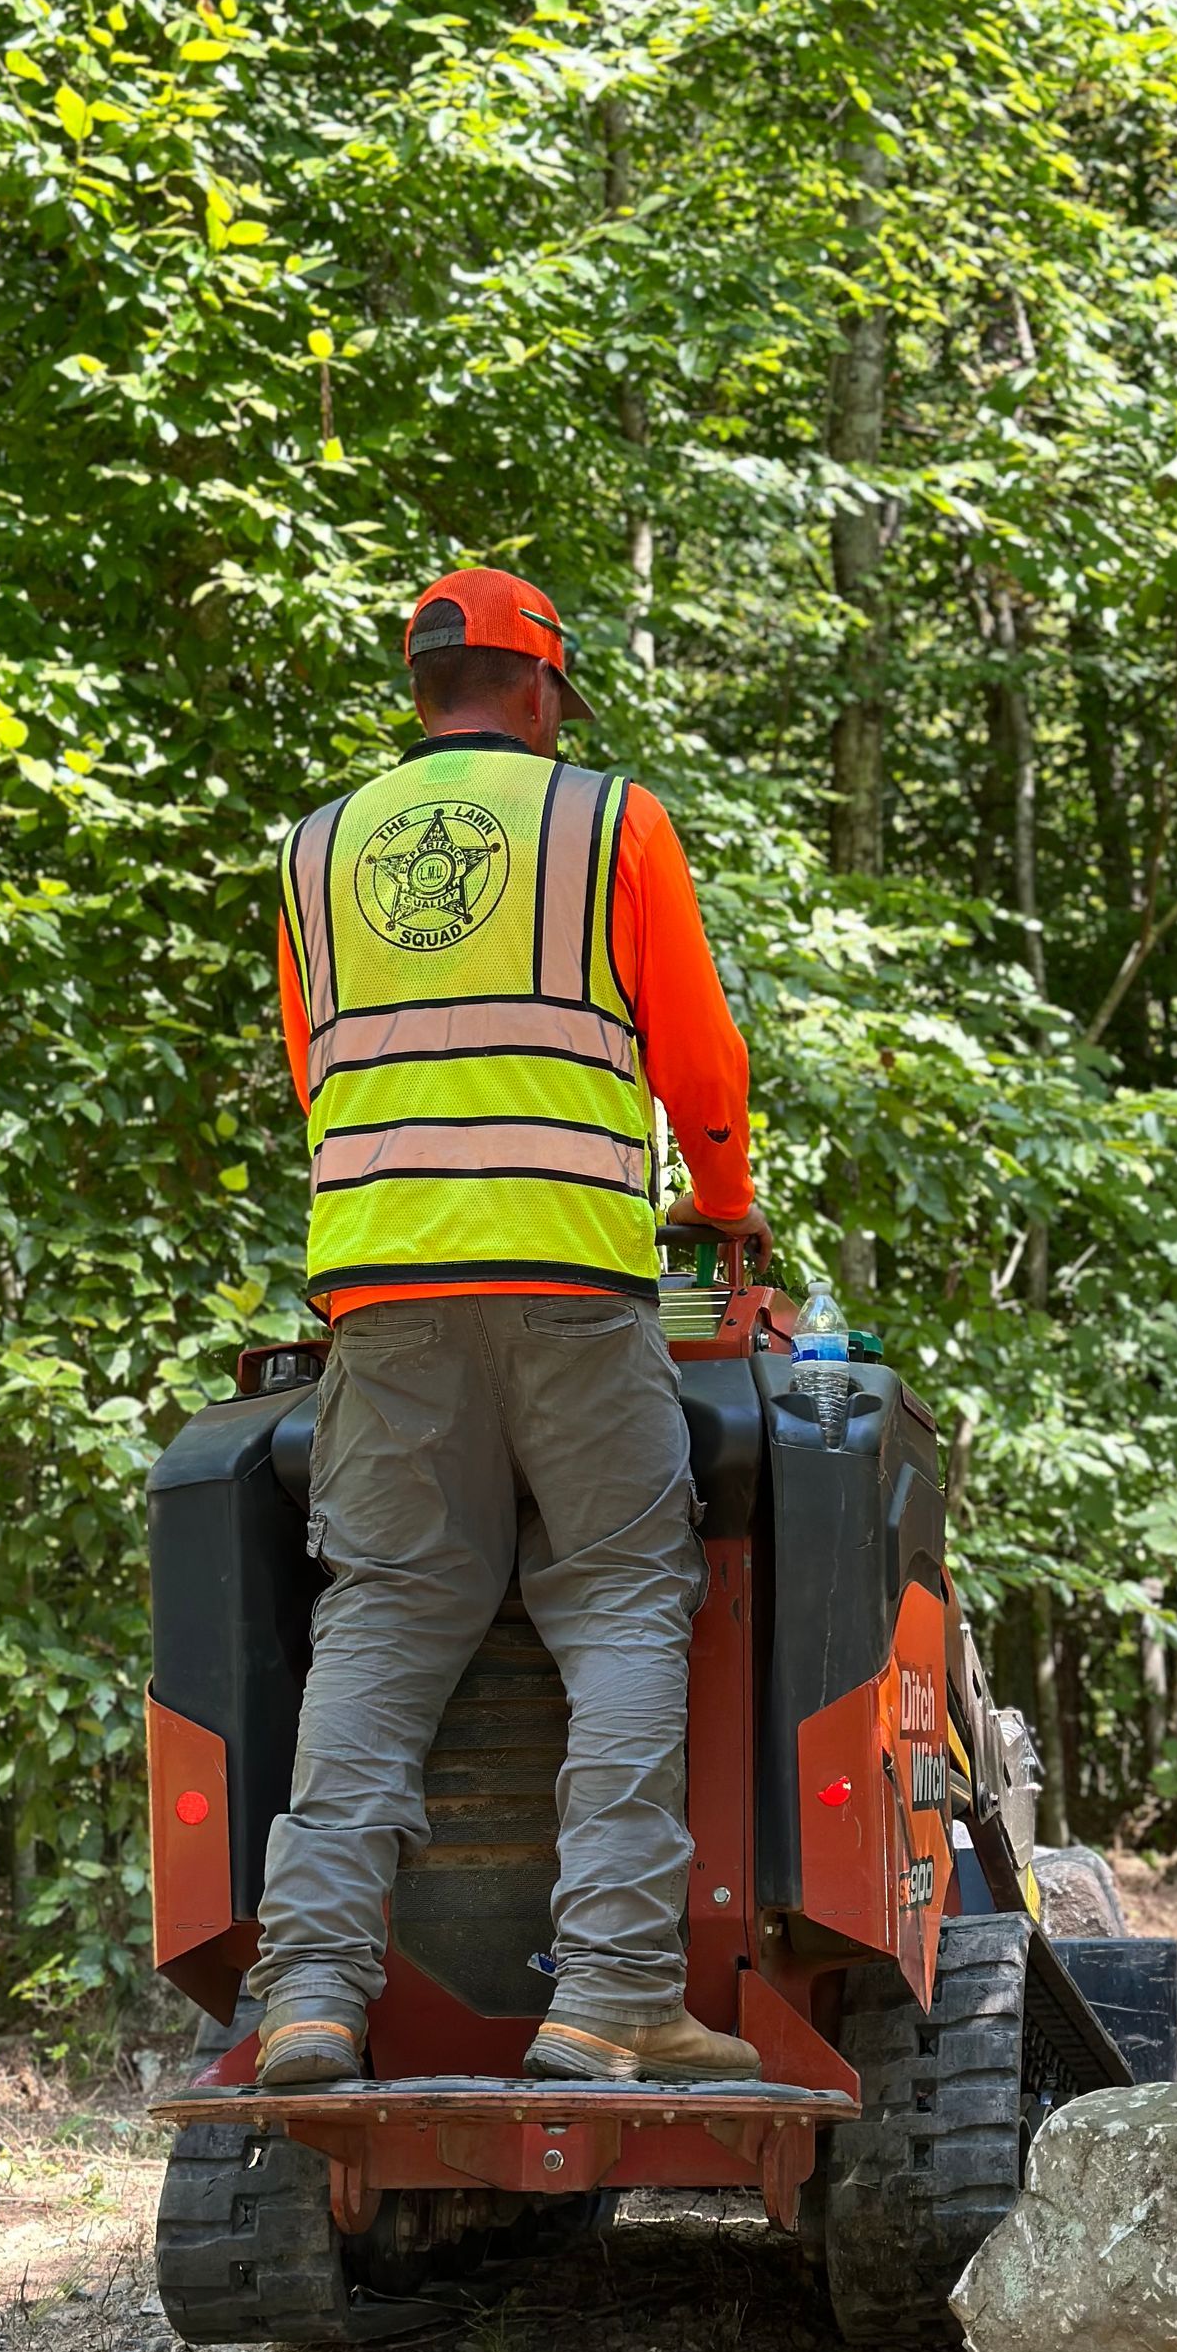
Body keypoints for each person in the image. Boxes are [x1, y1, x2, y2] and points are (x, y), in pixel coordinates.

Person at [250, 566, 769, 2091]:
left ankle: (311, 2003)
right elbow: (704, 1070)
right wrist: (723, 1201)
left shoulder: (313, 851)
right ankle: (609, 1997)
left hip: (380, 1294)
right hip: (570, 1282)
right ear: (541, 691)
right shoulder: (610, 822)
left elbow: (317, 1072)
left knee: (383, 1622)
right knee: (617, 1605)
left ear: (424, 688)